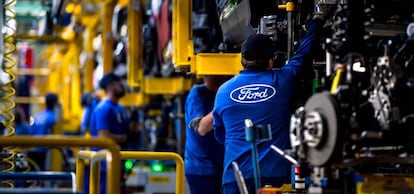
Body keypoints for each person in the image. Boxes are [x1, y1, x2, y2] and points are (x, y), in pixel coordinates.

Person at [211, 9, 331, 194]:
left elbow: (220, 135)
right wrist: (317, 19)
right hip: (273, 178)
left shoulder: (223, 91)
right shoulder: (283, 80)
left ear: (242, 59)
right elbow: (304, 52)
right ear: (270, 61)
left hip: (234, 178)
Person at [184, 75, 232, 194]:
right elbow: (202, 128)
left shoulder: (226, 92)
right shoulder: (197, 94)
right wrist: (223, 102)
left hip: (222, 166)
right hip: (202, 169)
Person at [88, 72, 130, 194]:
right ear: (110, 87)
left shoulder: (120, 108)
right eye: (119, 83)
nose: (122, 86)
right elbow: (103, 137)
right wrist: (123, 138)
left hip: (117, 162)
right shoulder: (104, 108)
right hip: (104, 165)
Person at [28, 93, 60, 170]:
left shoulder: (37, 115)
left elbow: (31, 130)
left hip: (32, 148)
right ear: (55, 103)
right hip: (44, 151)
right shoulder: (53, 117)